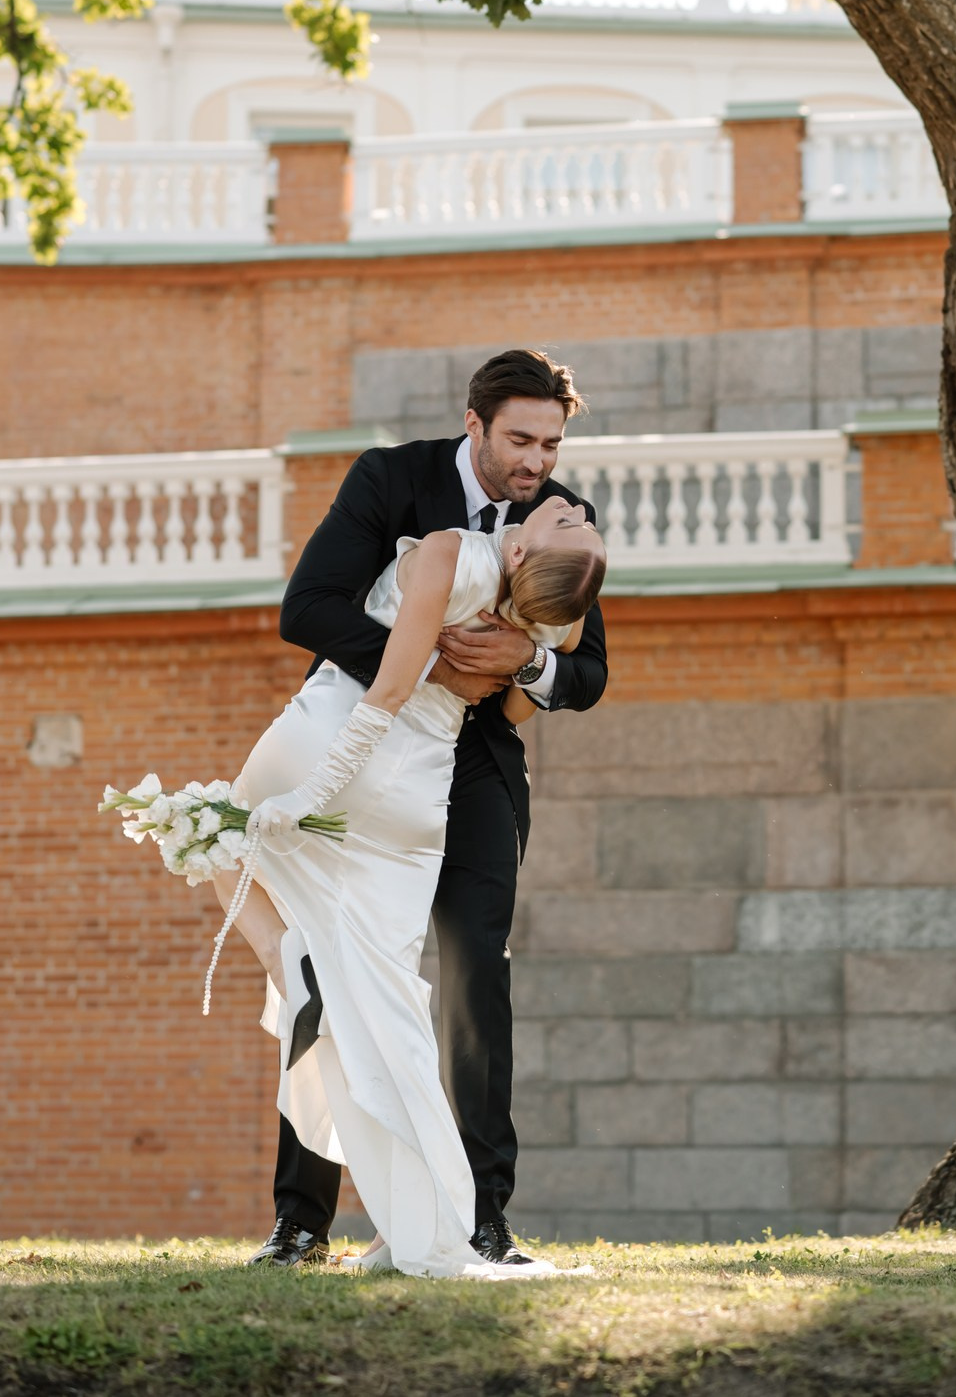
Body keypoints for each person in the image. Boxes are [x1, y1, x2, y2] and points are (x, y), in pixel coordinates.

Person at [246, 350, 608, 1267]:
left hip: (480, 763)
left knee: (475, 973)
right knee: (324, 971)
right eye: (520, 440)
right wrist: (428, 670)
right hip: (369, 747)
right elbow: (309, 609)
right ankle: (301, 1221)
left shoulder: (569, 520)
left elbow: (587, 675)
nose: (536, 466)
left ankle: (483, 1220)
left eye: (552, 445)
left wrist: (519, 665)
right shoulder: (391, 479)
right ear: (474, 422)